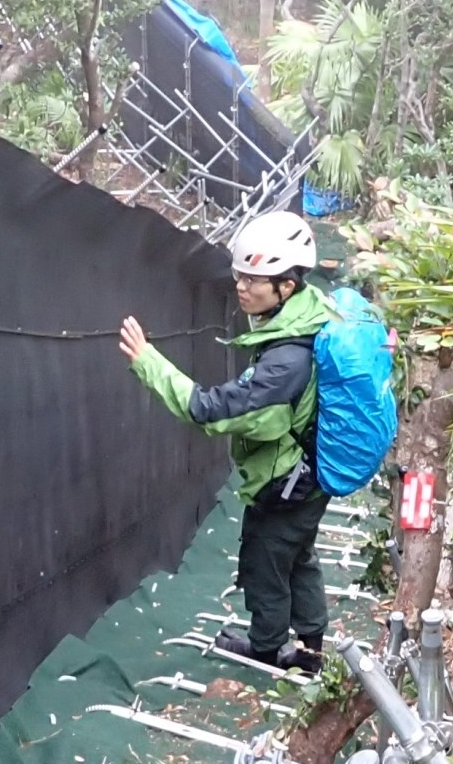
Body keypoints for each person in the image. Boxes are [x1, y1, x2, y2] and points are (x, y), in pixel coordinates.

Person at [120, 211, 333, 675]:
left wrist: (147, 361)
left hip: (287, 482)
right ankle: (313, 651)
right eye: (238, 274)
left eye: (253, 279)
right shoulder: (309, 319)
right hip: (313, 474)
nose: (240, 286)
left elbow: (208, 408)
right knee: (299, 557)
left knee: (266, 562)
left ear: (286, 287)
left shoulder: (285, 363)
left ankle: (267, 648)